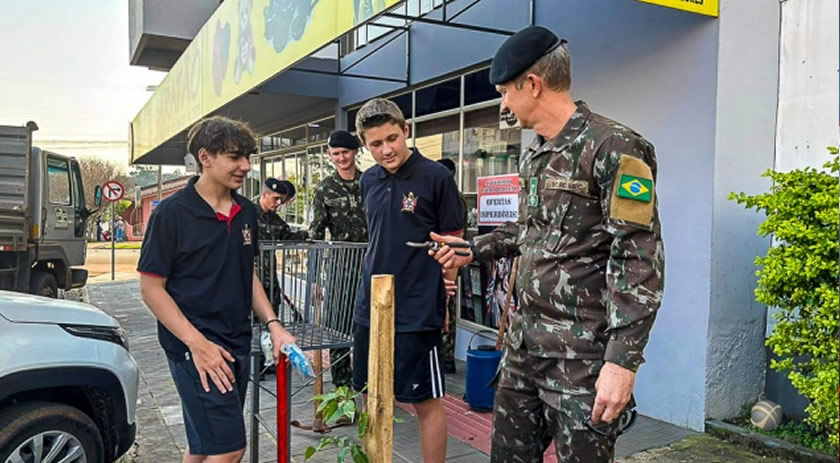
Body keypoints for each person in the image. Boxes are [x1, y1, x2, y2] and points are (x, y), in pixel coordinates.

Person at [429, 26, 665, 463]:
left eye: (504, 92)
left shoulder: (615, 147)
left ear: (532, 84)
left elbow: (639, 259)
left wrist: (622, 362)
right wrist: (472, 250)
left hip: (582, 361)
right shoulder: (534, 153)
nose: (502, 104)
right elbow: (528, 230)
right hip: (523, 350)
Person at [137, 116, 296, 463]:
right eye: (234, 157)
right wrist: (198, 346)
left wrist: (273, 323)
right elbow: (151, 289)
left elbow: (246, 273)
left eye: (247, 157)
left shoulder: (246, 212)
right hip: (195, 348)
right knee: (229, 449)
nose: (245, 166)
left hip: (236, 340)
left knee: (202, 445)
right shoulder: (172, 214)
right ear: (205, 157)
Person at [353, 98, 464, 462]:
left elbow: (454, 243)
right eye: (376, 144)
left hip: (417, 306)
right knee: (369, 392)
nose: (386, 150)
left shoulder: (436, 177)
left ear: (406, 131)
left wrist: (444, 294)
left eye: (391, 139)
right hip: (371, 302)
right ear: (365, 146)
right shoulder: (367, 179)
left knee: (425, 400)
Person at [309, 130, 368, 391]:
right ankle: (342, 391)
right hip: (341, 267)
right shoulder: (324, 190)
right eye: (335, 154)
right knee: (339, 329)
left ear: (355, 152)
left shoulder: (372, 182)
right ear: (329, 155)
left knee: (372, 326)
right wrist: (314, 279)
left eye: (345, 152)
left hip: (372, 262)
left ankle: (368, 383)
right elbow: (316, 234)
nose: (341, 158)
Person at [436, 158, 467, 374]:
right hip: (450, 259)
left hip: (449, 259)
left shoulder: (451, 198)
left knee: (446, 307)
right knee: (449, 309)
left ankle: (444, 357)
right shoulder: (459, 198)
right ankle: (446, 358)